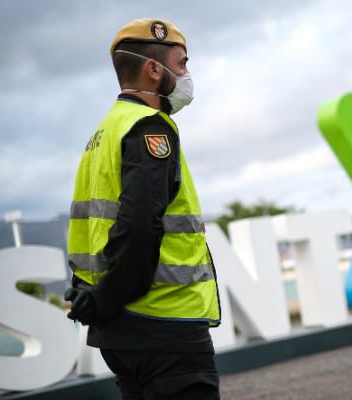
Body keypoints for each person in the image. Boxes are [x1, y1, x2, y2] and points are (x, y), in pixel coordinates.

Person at [63, 18, 221, 400]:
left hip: (121, 332)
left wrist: (96, 297)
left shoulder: (102, 134)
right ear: (154, 70)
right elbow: (137, 228)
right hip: (165, 324)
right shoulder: (150, 128)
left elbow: (97, 229)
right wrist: (104, 299)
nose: (186, 75)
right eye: (181, 64)